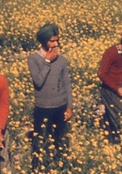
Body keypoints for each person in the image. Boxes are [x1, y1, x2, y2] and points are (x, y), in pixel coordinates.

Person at [28, 23, 73, 172]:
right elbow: (38, 82)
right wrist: (47, 61)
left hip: (60, 106)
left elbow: (67, 83)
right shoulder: (33, 59)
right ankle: (39, 169)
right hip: (43, 108)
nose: (55, 44)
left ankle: (61, 167)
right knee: (40, 142)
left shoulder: (61, 60)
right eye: (52, 41)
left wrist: (69, 106)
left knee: (61, 142)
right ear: (43, 41)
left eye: (57, 40)